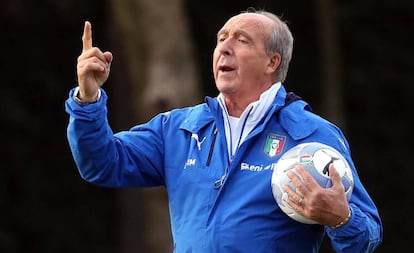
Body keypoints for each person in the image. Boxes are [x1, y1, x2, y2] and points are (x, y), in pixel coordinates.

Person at [65, 9, 383, 252]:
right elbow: (101, 163)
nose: (224, 48)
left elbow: (365, 237)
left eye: (241, 40)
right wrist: (88, 100)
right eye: (221, 39)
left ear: (272, 62)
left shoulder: (313, 136)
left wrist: (341, 219)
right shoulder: (179, 129)